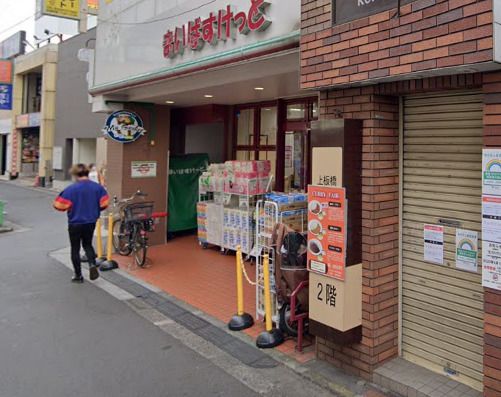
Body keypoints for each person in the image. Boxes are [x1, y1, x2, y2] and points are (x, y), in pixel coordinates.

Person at [53, 164, 110, 283]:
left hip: (75, 222)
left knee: (75, 248)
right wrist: (94, 209)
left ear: (75, 174)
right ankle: (92, 264)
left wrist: (69, 208)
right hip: (90, 221)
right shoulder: (97, 188)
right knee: (87, 244)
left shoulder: (71, 189)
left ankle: (78, 275)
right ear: (87, 173)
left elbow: (58, 205)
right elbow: (104, 203)